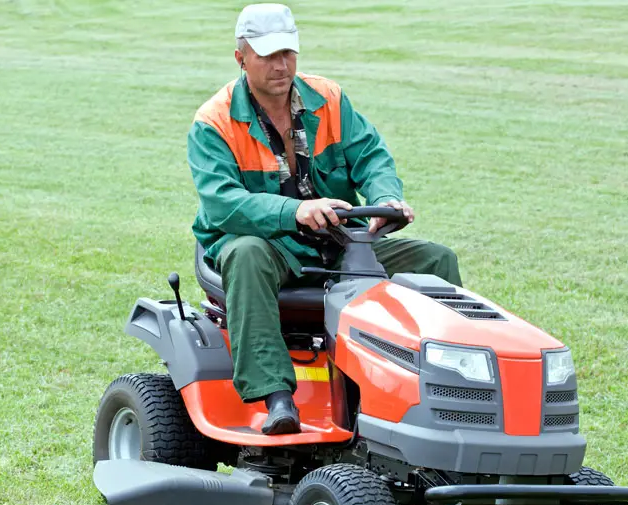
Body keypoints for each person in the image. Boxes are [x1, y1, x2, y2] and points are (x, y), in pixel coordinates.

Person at [187, 3, 462, 435]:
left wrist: (387, 197)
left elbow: (371, 156)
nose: (281, 66)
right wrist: (294, 210)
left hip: (335, 241)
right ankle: (277, 396)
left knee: (435, 261)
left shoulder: (329, 99)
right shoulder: (214, 122)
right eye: (268, 56)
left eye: (288, 54)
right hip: (266, 243)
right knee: (246, 255)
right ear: (240, 58)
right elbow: (223, 204)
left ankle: (443, 388)